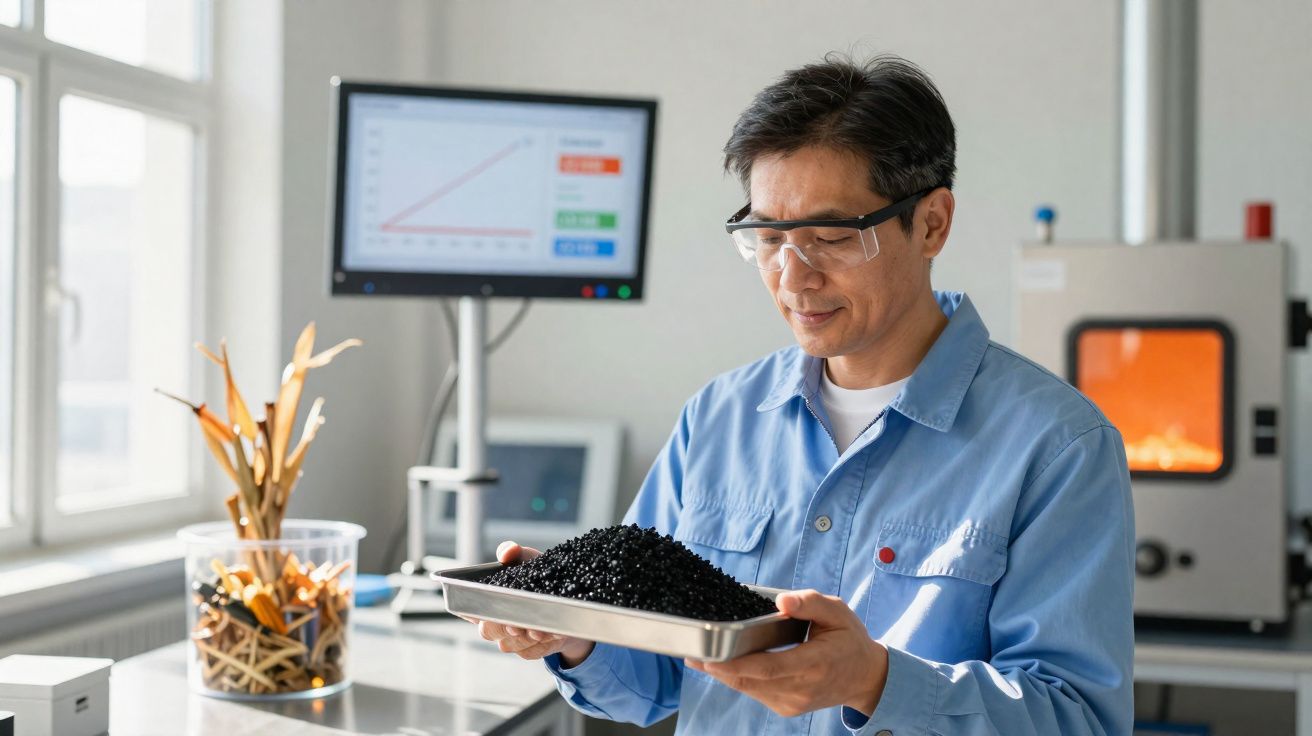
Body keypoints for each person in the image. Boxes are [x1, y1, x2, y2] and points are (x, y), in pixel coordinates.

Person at [472, 53, 1134, 736]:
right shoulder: (719, 418)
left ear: (932, 223)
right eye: (767, 238)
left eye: (829, 237)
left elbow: (1079, 719)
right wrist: (571, 633)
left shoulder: (1057, 448)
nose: (794, 278)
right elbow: (650, 684)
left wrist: (876, 683)